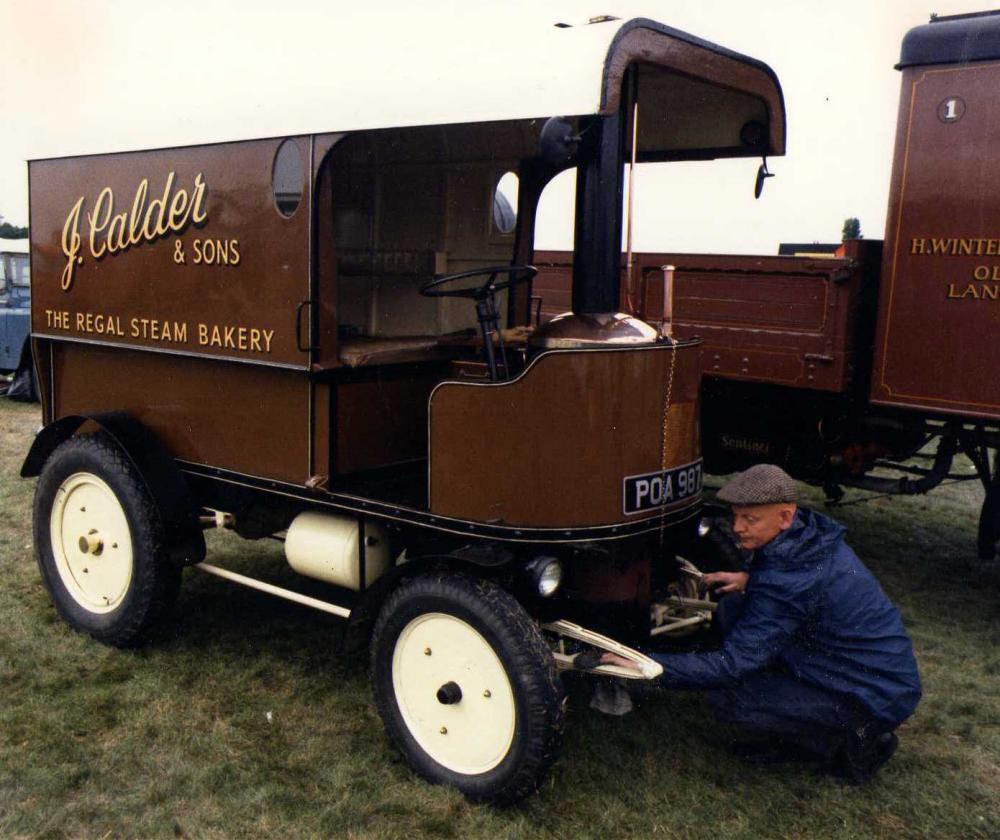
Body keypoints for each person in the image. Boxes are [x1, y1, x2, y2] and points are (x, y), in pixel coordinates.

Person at [603, 463, 921, 783]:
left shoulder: (790, 581)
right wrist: (749, 579)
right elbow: (803, 586)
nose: (738, 528)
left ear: (785, 516)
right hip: (857, 669)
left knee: (733, 697)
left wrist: (648, 665)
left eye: (750, 519)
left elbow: (733, 664)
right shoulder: (806, 539)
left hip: (876, 693)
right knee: (733, 610)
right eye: (736, 516)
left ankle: (859, 741)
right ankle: (798, 735)